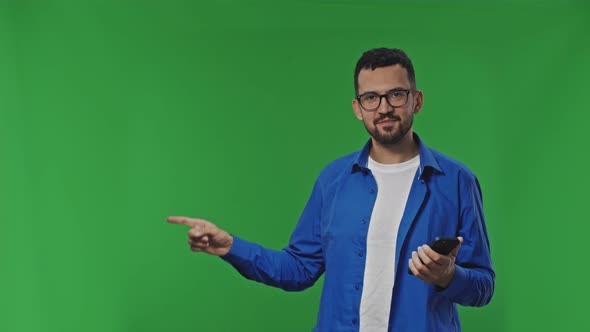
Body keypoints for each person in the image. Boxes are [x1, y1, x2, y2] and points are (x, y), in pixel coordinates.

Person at [167, 48, 495, 331]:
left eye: (396, 94)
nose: (383, 108)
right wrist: (231, 247)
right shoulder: (333, 180)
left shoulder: (457, 182)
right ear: (357, 108)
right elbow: (298, 269)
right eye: (371, 98)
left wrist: (449, 276)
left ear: (416, 100)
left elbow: (484, 286)